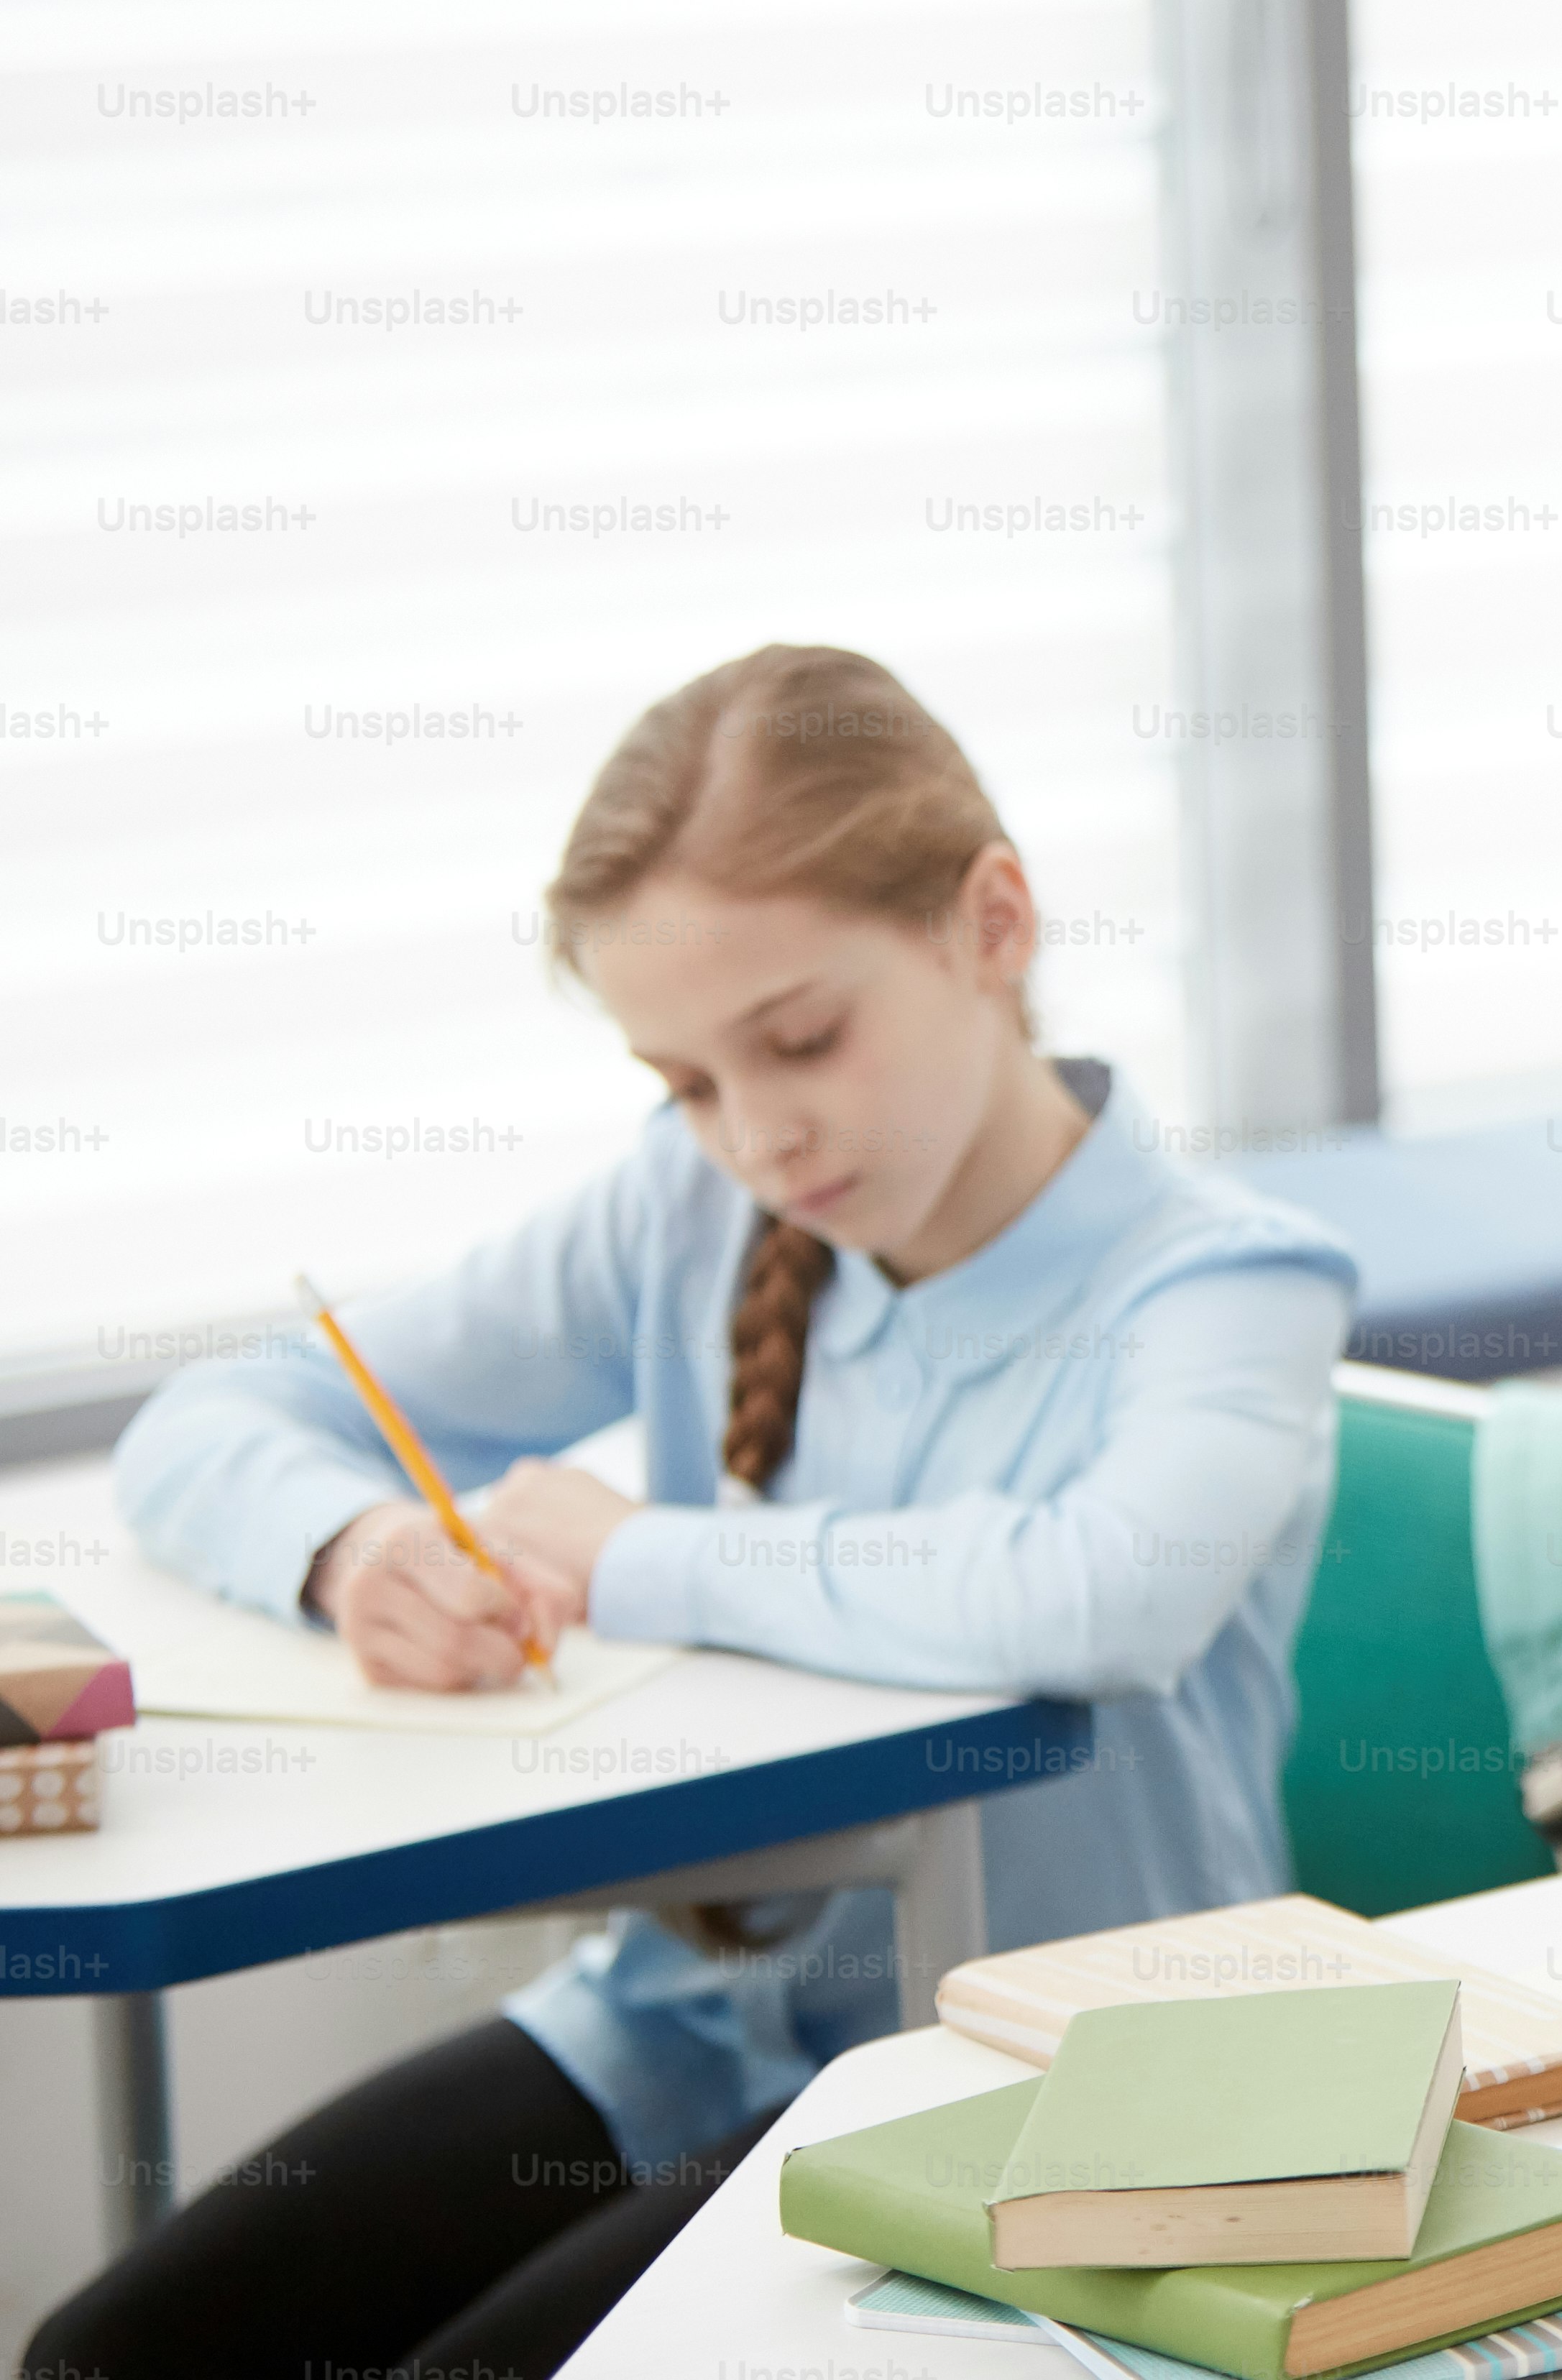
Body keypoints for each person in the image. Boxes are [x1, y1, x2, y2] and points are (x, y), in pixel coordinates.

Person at [29, 646, 1358, 2380]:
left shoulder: (1227, 1286)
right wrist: (353, 1551)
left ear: (995, 923)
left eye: (800, 1039)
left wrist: (631, 1556)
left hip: (1043, 2086)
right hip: (684, 2027)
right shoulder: (690, 1210)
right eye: (689, 1084)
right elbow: (224, 1417)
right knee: (108, 2354)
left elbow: (1103, 1595)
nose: (758, 1137)